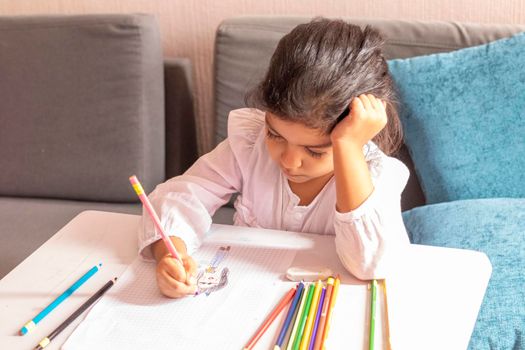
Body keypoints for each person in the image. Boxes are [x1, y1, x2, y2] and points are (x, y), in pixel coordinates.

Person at [138, 17, 410, 298]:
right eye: (276, 135)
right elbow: (182, 197)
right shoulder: (248, 143)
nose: (290, 161)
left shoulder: (376, 174)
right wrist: (171, 253)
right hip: (244, 297)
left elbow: (372, 265)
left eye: (315, 151)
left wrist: (349, 149)